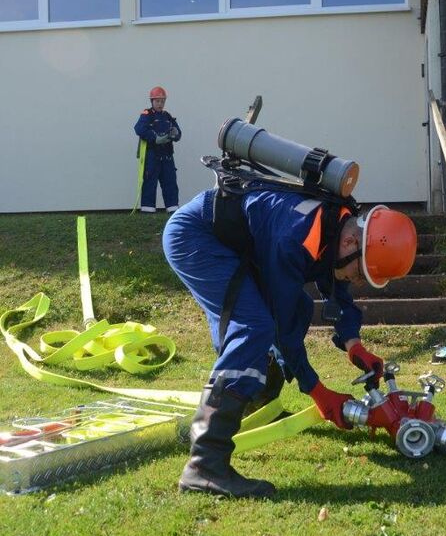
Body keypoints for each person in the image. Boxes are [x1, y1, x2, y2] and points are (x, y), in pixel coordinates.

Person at [162, 185, 417, 498]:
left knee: (300, 307)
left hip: (232, 243)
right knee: (254, 327)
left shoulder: (336, 225)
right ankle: (205, 466)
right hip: (196, 238)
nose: (358, 281)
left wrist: (354, 345)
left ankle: (259, 403)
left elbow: (337, 292)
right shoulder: (296, 238)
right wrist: (317, 390)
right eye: (360, 273)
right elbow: (282, 328)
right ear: (352, 242)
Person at [134, 86, 182, 213]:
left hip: (167, 157)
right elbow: (139, 129)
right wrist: (155, 138)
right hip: (152, 157)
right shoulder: (147, 114)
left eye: (162, 101)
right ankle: (148, 211)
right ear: (152, 101)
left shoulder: (167, 116)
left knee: (170, 183)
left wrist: (175, 134)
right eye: (157, 101)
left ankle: (173, 210)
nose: (160, 104)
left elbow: (178, 133)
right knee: (150, 184)